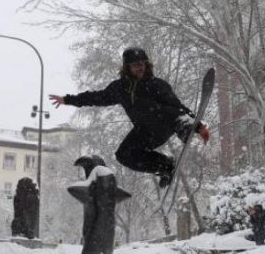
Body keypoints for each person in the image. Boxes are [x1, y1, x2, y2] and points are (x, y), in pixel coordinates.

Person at [49, 47, 210, 188]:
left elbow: (178, 106)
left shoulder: (157, 84)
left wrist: (199, 127)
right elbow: (97, 97)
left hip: (165, 124)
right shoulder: (120, 88)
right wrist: (68, 100)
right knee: (123, 155)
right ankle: (165, 166)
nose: (140, 68)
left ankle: (185, 127)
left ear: (146, 65)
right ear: (127, 68)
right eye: (135, 65)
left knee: (167, 112)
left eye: (142, 64)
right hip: (146, 132)